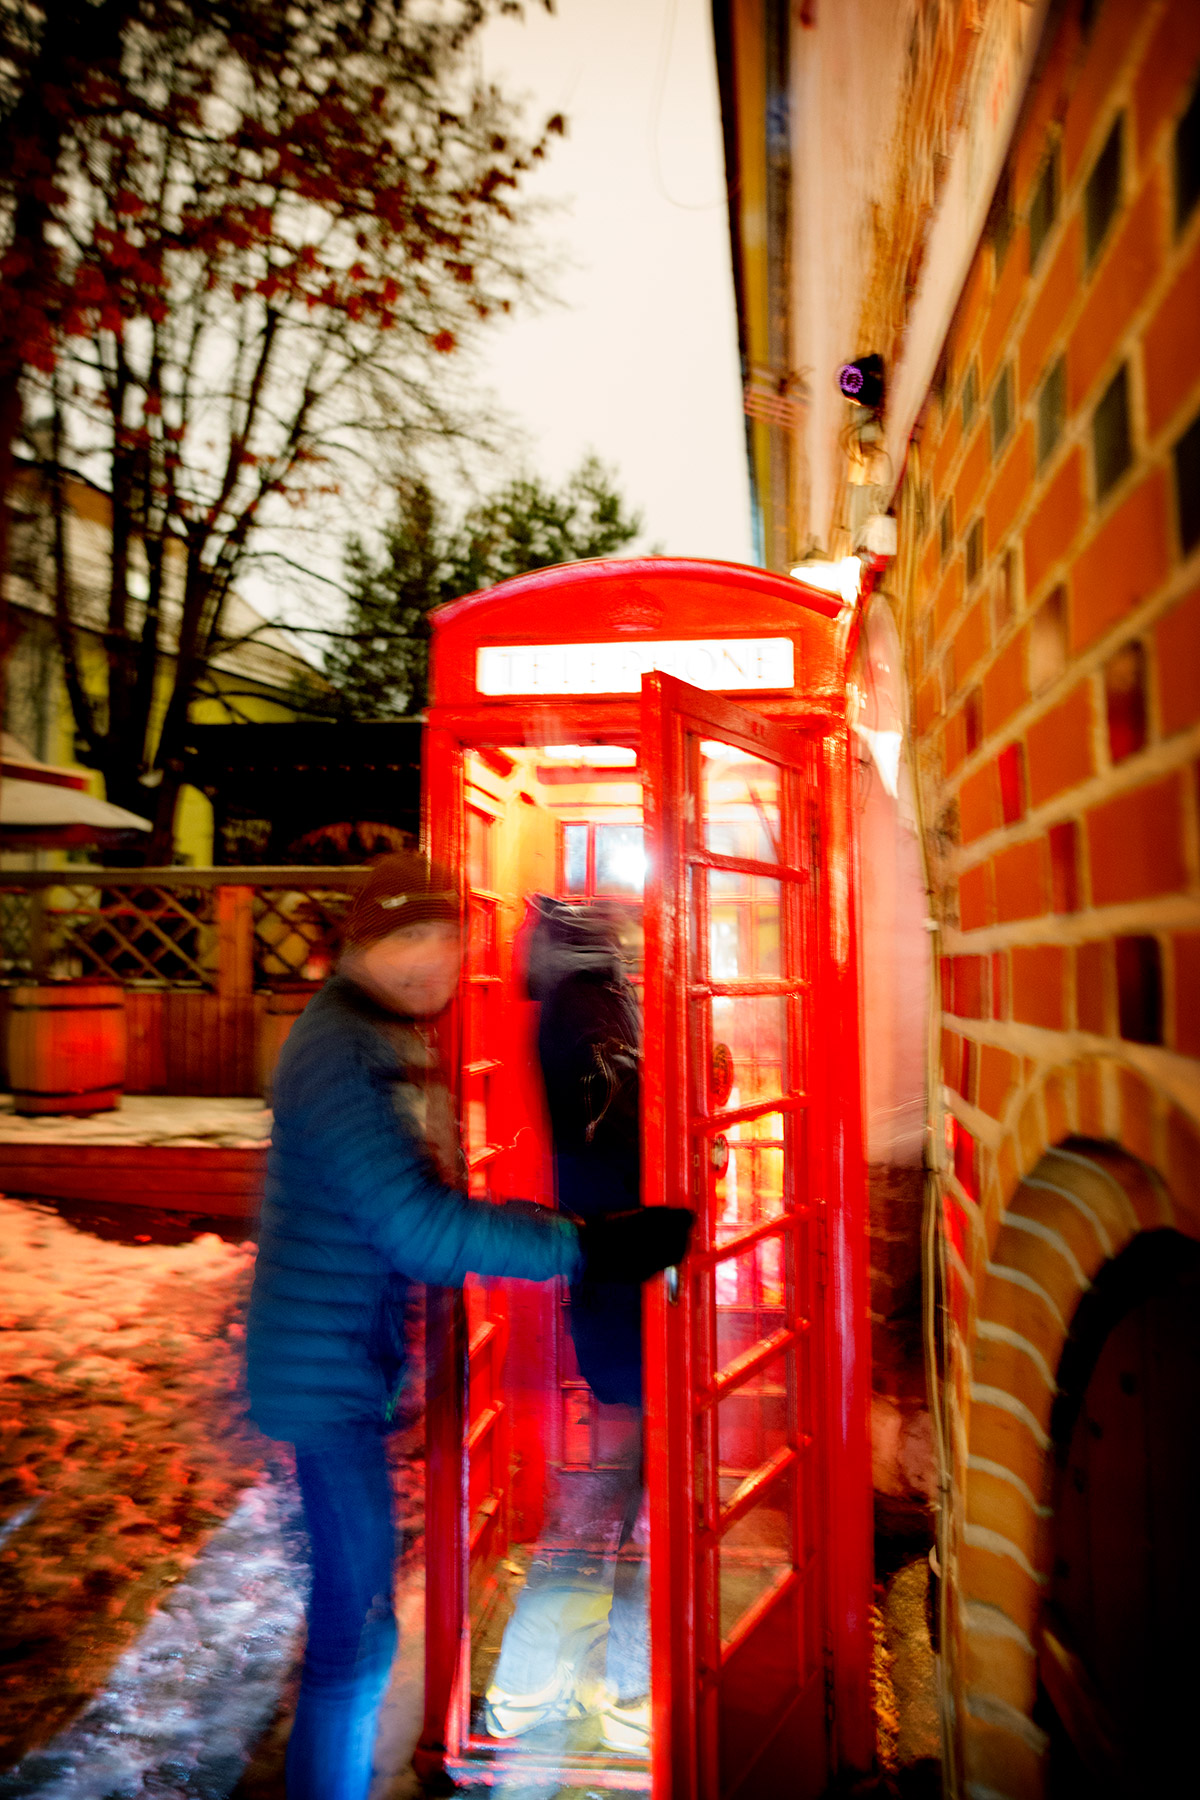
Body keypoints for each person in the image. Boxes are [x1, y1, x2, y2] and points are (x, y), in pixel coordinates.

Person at [245, 853, 690, 1800]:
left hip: (348, 1369)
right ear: (358, 945)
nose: (431, 961)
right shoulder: (341, 1049)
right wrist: (591, 1245)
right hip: (320, 1381)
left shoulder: (384, 1033)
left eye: (445, 937)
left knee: (357, 1621)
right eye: (404, 938)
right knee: (357, 1632)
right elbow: (417, 1225)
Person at [484, 895, 650, 1752]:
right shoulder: (588, 1011)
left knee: (620, 1494)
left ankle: (547, 1684)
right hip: (626, 1274)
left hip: (620, 1270)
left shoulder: (587, 1003)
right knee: (624, 1499)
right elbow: (625, 1124)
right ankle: (617, 1696)